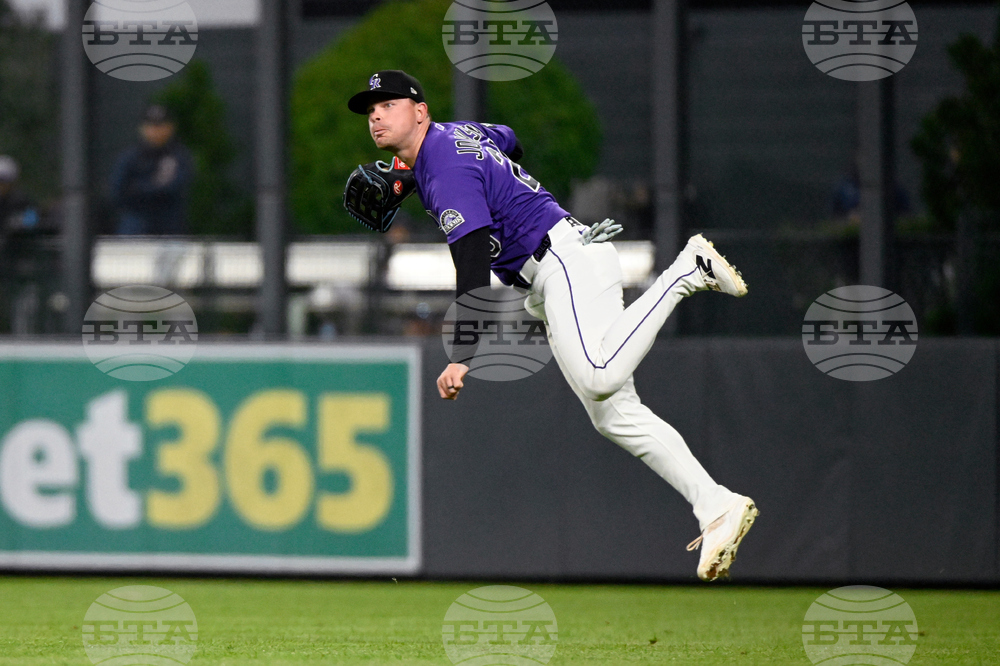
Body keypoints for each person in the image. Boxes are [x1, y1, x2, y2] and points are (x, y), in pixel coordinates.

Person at [346, 70, 758, 581]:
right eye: (370, 110)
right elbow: (507, 139)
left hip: (562, 263)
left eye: (387, 104)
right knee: (612, 414)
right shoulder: (457, 138)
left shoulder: (445, 168)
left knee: (600, 379)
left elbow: (472, 266)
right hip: (558, 265)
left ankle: (686, 271)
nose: (377, 115)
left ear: (420, 111)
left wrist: (461, 356)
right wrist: (422, 177)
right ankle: (716, 506)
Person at [109, 104, 193, 236]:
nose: (156, 131)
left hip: (169, 227)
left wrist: (140, 189)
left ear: (170, 128)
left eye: (160, 126)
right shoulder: (130, 158)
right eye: (152, 126)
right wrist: (153, 189)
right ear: (142, 128)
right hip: (135, 226)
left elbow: (175, 187)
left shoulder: (178, 157)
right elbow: (118, 192)